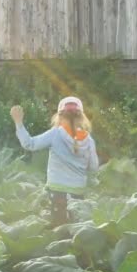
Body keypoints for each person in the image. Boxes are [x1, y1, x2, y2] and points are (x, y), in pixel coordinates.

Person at [10, 97, 99, 227]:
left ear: (59, 116)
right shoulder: (88, 140)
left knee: (59, 228)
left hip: (57, 191)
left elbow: (29, 144)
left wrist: (18, 122)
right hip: (78, 192)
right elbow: (93, 167)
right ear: (81, 117)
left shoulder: (55, 134)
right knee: (77, 230)